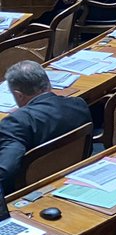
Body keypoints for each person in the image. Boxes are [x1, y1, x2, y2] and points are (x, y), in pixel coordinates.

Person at [0, 62, 92, 194]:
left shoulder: (16, 123)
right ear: (48, 83)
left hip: (28, 191)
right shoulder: (78, 104)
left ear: (19, 95)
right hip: (71, 174)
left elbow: (6, 171)